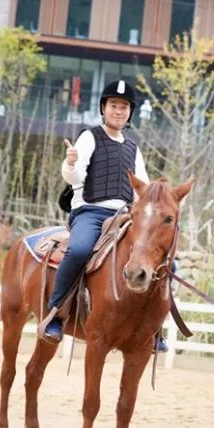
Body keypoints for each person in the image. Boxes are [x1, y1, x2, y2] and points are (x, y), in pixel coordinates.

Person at [43, 79, 168, 353]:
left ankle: (155, 326)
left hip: (124, 216)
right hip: (90, 212)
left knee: (160, 257)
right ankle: (56, 313)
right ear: (103, 108)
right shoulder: (89, 137)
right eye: (113, 105)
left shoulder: (133, 148)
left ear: (130, 112)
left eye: (124, 107)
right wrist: (70, 163)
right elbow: (74, 177)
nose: (118, 111)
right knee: (78, 250)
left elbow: (142, 189)